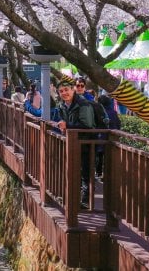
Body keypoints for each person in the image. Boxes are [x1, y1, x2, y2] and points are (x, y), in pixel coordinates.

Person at [55, 79, 95, 208]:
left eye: (67, 90)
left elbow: (87, 125)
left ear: (73, 90)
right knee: (72, 170)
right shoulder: (62, 105)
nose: (64, 93)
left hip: (86, 142)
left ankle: (85, 201)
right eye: (61, 91)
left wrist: (68, 126)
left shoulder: (83, 104)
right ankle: (73, 198)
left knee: (85, 172)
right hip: (72, 143)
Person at [95, 95, 122, 179]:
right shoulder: (113, 112)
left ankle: (99, 173)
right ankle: (108, 174)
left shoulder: (98, 111)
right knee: (109, 156)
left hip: (100, 137)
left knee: (99, 156)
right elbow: (118, 124)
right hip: (112, 138)